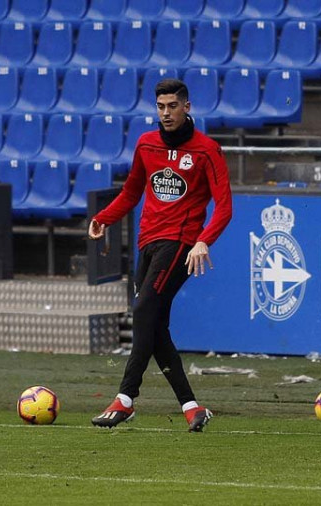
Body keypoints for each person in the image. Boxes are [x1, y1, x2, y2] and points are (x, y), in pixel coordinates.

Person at [88, 79, 233, 432]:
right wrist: (103, 218)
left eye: (172, 106)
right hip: (147, 243)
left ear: (187, 107)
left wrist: (203, 241)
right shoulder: (146, 144)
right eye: (161, 106)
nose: (166, 113)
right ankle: (192, 406)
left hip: (180, 244)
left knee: (142, 312)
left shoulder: (206, 150)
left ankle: (125, 398)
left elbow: (224, 207)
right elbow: (132, 191)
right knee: (155, 327)